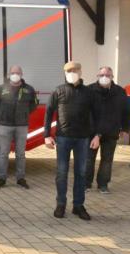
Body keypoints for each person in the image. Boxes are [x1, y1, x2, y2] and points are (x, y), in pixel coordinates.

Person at [43, 61, 100, 221]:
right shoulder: (58, 91)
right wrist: (47, 135)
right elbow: (48, 113)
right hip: (63, 138)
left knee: (81, 173)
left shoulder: (89, 92)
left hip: (83, 139)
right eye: (69, 71)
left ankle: (78, 206)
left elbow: (96, 115)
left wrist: (97, 135)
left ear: (81, 72)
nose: (72, 73)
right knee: (61, 173)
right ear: (65, 73)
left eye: (75, 70)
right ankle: (61, 204)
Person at [84, 66, 130, 194]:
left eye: (108, 75)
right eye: (102, 75)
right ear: (97, 76)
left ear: (112, 77)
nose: (105, 77)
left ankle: (103, 184)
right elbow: (87, 114)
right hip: (91, 133)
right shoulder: (89, 90)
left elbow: (126, 111)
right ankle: (86, 184)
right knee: (88, 159)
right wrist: (95, 134)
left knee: (107, 160)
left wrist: (125, 128)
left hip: (111, 131)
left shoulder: (120, 91)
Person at [0, 65, 38, 189]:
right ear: (9, 74)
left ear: (21, 74)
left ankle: (21, 178)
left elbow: (33, 105)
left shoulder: (29, 89)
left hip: (21, 125)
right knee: (3, 153)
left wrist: (23, 114)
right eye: (13, 72)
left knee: (20, 154)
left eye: (17, 72)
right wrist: (4, 114)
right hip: (5, 125)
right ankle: (2, 178)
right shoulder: (2, 88)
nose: (15, 74)